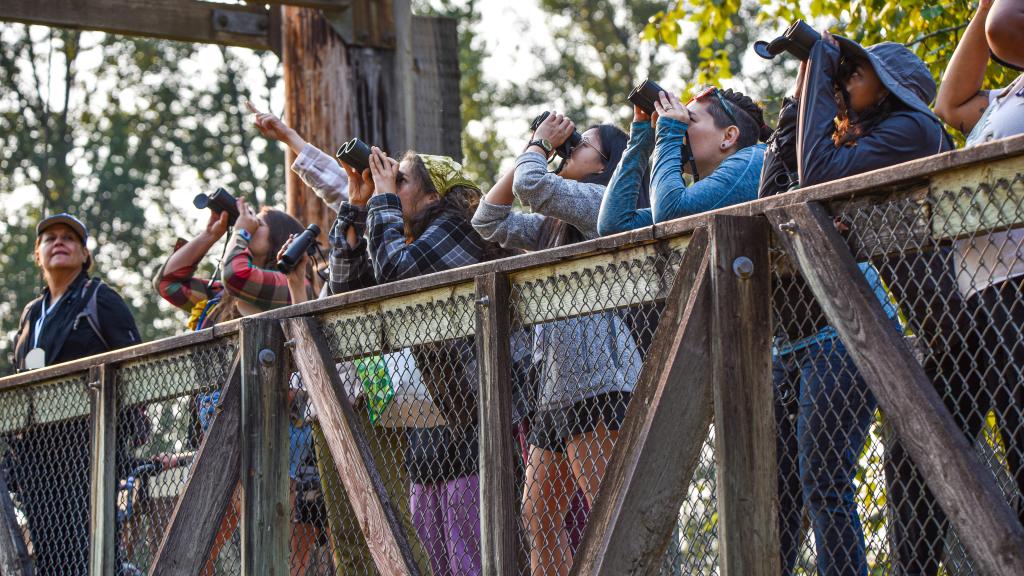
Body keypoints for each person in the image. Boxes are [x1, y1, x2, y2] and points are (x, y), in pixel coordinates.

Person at [761, 29, 952, 576]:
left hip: (982, 321)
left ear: (891, 85)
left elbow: (816, 178)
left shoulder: (912, 128)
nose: (843, 81)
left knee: (948, 478)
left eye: (853, 72)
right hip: (945, 334)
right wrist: (797, 104)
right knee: (915, 477)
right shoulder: (863, 140)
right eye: (840, 72)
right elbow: (785, 194)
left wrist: (820, 61)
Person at [883, 1, 1024, 573]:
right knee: (927, 458)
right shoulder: (1009, 95)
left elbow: (1005, 30)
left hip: (1019, 286)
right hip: (981, 295)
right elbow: (950, 104)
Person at [472, 112, 645, 576]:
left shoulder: (603, 202)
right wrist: (532, 146)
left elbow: (535, 186)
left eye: (583, 145)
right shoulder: (552, 227)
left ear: (605, 166)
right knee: (539, 518)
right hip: (555, 386)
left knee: (609, 517)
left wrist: (541, 145)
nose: (571, 148)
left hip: (598, 381)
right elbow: (488, 220)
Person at [328, 145, 508, 576]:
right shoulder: (399, 234)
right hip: (430, 422)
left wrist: (383, 201)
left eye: (401, 178)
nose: (389, 181)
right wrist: (356, 207)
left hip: (481, 419)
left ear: (433, 196)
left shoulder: (461, 228)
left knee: (472, 559)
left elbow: (399, 277)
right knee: (435, 560)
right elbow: (344, 288)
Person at [154, 199, 326, 575]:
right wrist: (212, 233)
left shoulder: (289, 283)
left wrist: (242, 231)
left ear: (281, 235)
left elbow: (238, 275)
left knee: (272, 523)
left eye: (261, 223)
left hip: (273, 417)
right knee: (206, 527)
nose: (249, 224)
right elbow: (169, 283)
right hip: (220, 420)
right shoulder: (224, 294)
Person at [6, 214, 142, 575]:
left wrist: (130, 429)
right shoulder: (31, 315)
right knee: (49, 557)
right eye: (50, 238)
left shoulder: (100, 299)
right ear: (38, 254)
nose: (59, 242)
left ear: (84, 254)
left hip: (87, 453)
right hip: (35, 459)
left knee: (90, 552)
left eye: (69, 238)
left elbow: (135, 366)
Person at [598, 86, 768, 235]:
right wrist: (641, 141)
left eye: (688, 119)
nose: (680, 126)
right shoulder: (699, 196)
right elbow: (615, 225)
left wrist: (669, 133)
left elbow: (669, 215)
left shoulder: (755, 160)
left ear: (728, 136)